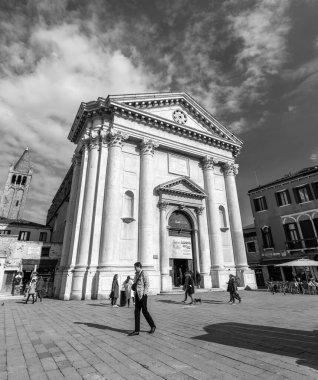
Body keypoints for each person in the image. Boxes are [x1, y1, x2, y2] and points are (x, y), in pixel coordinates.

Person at [128, 262, 156, 336]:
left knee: (144, 311)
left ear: (139, 266)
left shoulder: (144, 273)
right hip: (137, 295)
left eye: (135, 267)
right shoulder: (136, 274)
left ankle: (153, 326)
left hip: (142, 295)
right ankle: (137, 330)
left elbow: (147, 283)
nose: (134, 268)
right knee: (136, 312)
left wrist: (145, 292)